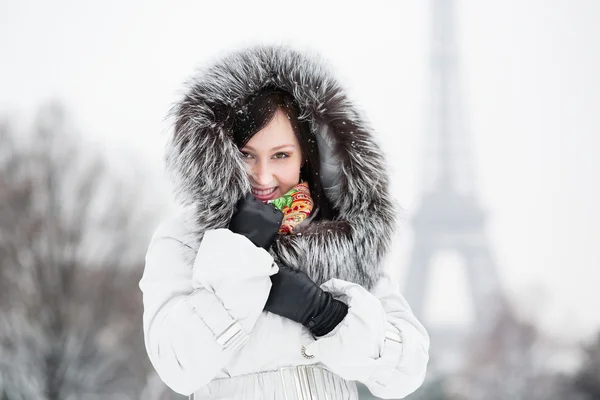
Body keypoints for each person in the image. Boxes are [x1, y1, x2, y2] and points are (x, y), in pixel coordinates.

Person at [139, 45, 430, 399]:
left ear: (304, 157)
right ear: (221, 155)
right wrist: (238, 257)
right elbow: (178, 366)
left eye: (280, 155)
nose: (263, 176)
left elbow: (407, 371)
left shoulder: (342, 235)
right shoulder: (185, 241)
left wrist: (327, 315)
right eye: (246, 155)